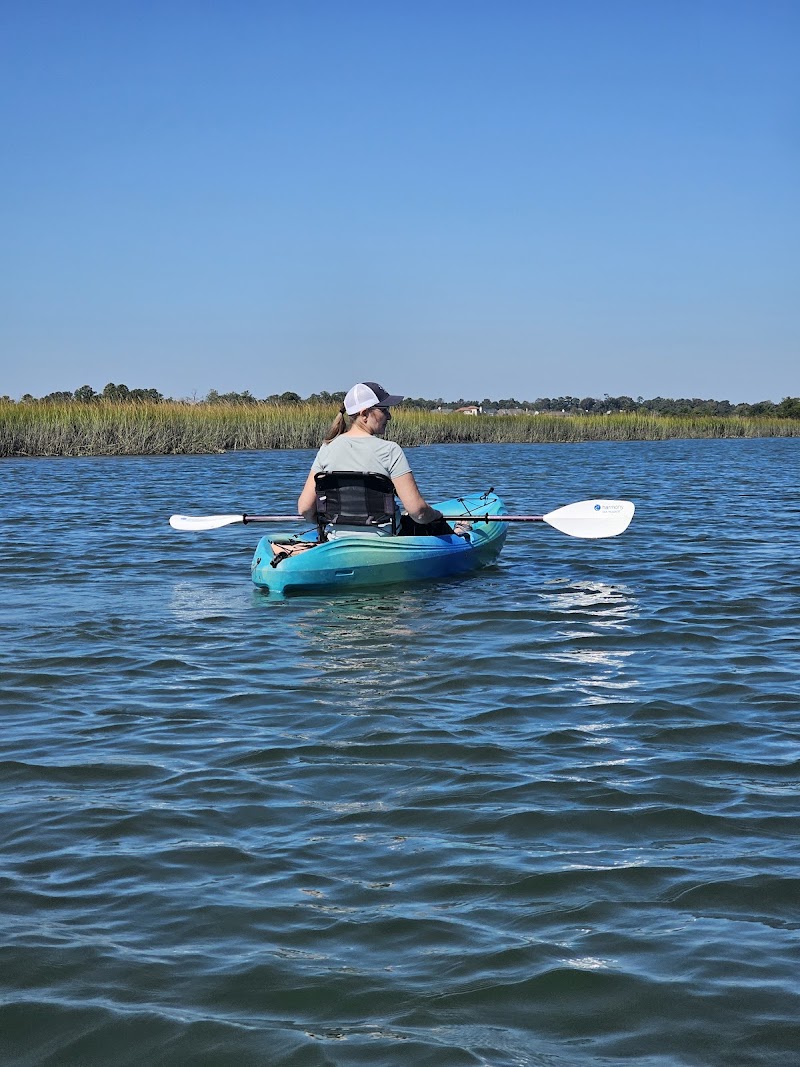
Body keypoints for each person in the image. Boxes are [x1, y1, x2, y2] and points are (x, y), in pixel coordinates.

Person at [297, 381, 445, 530]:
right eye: (384, 410)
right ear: (364, 414)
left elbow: (305, 509)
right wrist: (436, 515)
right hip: (384, 541)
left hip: (337, 539)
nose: (389, 416)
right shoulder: (390, 450)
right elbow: (418, 512)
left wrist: (323, 522)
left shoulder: (327, 448)